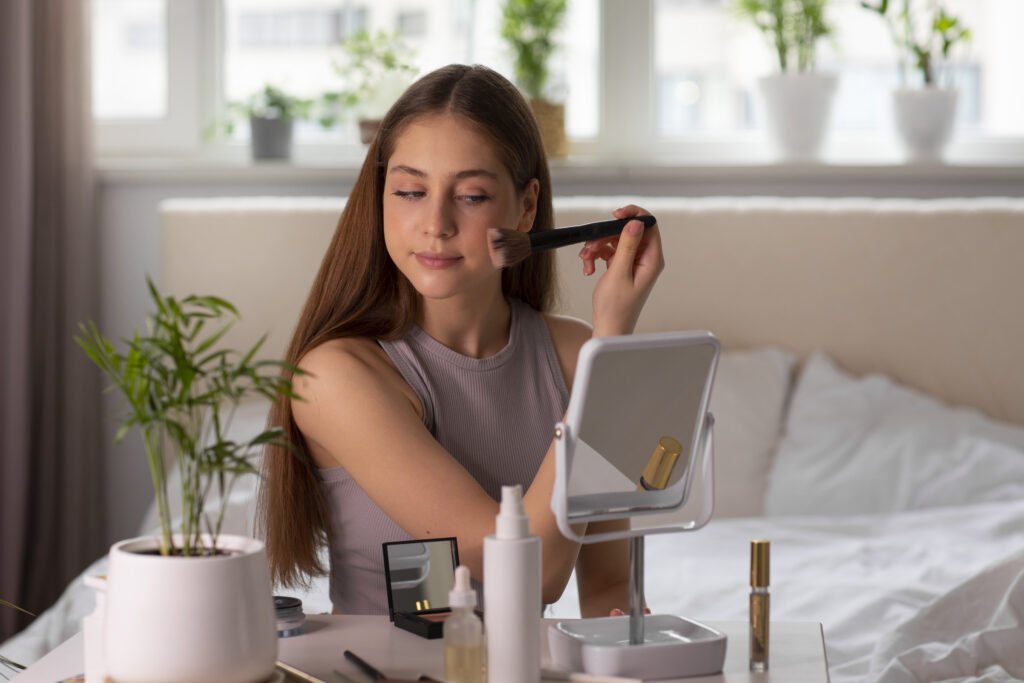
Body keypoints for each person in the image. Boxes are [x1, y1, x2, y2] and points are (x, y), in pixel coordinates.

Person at [257, 63, 664, 617]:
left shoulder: (575, 358)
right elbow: (530, 571)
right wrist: (611, 345)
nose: (436, 223)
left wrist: (632, 649)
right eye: (409, 191)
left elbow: (610, 588)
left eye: (471, 196)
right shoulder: (334, 376)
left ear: (526, 207)